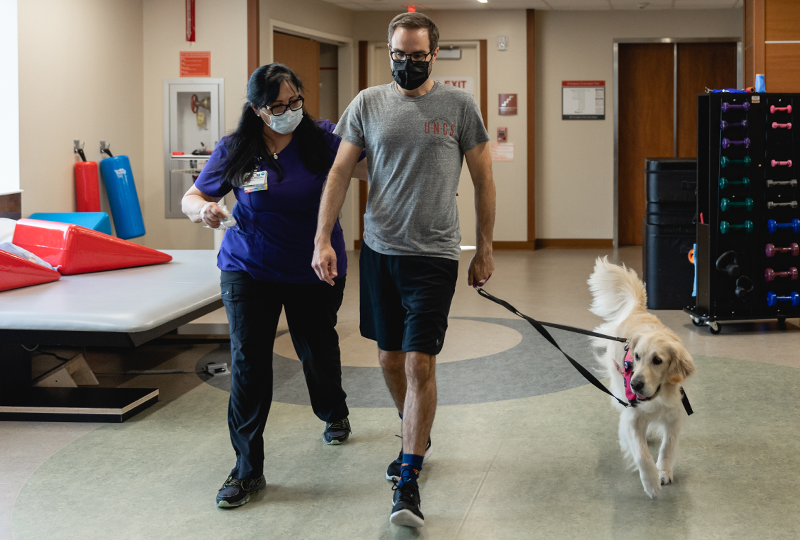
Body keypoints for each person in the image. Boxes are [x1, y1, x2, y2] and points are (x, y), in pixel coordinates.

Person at [311, 12, 496, 528]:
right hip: (380, 253)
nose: (406, 64)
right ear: (388, 52)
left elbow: (483, 180)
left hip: (435, 255)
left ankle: (408, 479)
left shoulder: (459, 106)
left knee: (418, 365)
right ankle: (415, 425)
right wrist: (323, 238)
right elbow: (341, 172)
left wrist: (483, 248)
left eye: (416, 57)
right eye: (398, 55)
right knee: (390, 360)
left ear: (433, 54)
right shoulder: (368, 104)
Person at [182, 63, 367, 509]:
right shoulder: (236, 148)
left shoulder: (323, 139)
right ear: (257, 109)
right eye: (277, 106)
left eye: (295, 102)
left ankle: (333, 411)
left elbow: (373, 167)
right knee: (248, 363)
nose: (288, 111)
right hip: (249, 267)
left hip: (314, 266)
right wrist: (202, 212)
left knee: (317, 347)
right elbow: (195, 196)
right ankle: (248, 470)